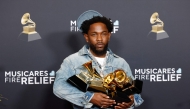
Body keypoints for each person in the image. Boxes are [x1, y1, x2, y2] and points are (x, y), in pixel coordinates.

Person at [53, 10, 143, 109]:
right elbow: (59, 88)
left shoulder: (120, 62)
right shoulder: (72, 61)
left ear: (109, 36)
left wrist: (131, 101)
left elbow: (134, 92)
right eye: (94, 34)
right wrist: (89, 97)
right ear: (86, 37)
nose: (99, 39)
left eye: (103, 34)